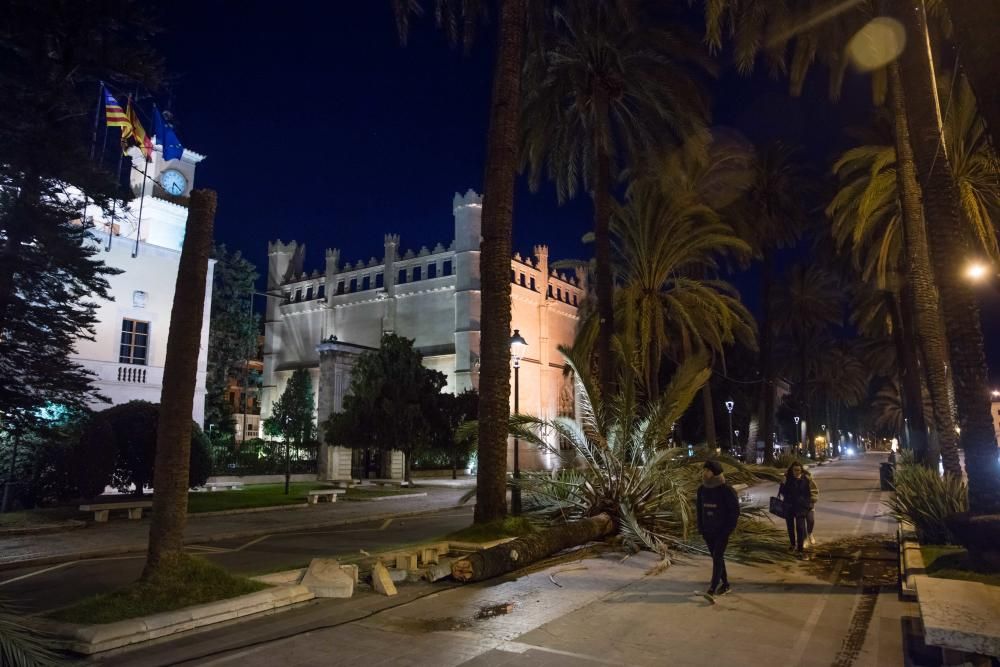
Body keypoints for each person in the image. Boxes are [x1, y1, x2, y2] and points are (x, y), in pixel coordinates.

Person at [696, 460, 741, 598]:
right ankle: (725, 584)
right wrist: (701, 527)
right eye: (704, 470)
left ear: (714, 472)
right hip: (708, 531)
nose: (705, 473)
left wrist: (728, 529)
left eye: (707, 470)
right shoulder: (702, 489)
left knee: (717, 556)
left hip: (722, 531)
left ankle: (712, 587)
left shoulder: (726, 490)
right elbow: (699, 510)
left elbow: (734, 511)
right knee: (717, 558)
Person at [779, 462, 813, 557]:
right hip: (789, 507)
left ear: (801, 470)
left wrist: (807, 506)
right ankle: (792, 544)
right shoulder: (788, 479)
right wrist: (783, 483)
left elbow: (808, 494)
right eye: (795, 470)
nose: (796, 472)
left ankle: (800, 548)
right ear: (791, 470)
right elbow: (782, 492)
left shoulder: (805, 479)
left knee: (800, 527)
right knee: (790, 527)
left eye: (798, 470)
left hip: (801, 508)